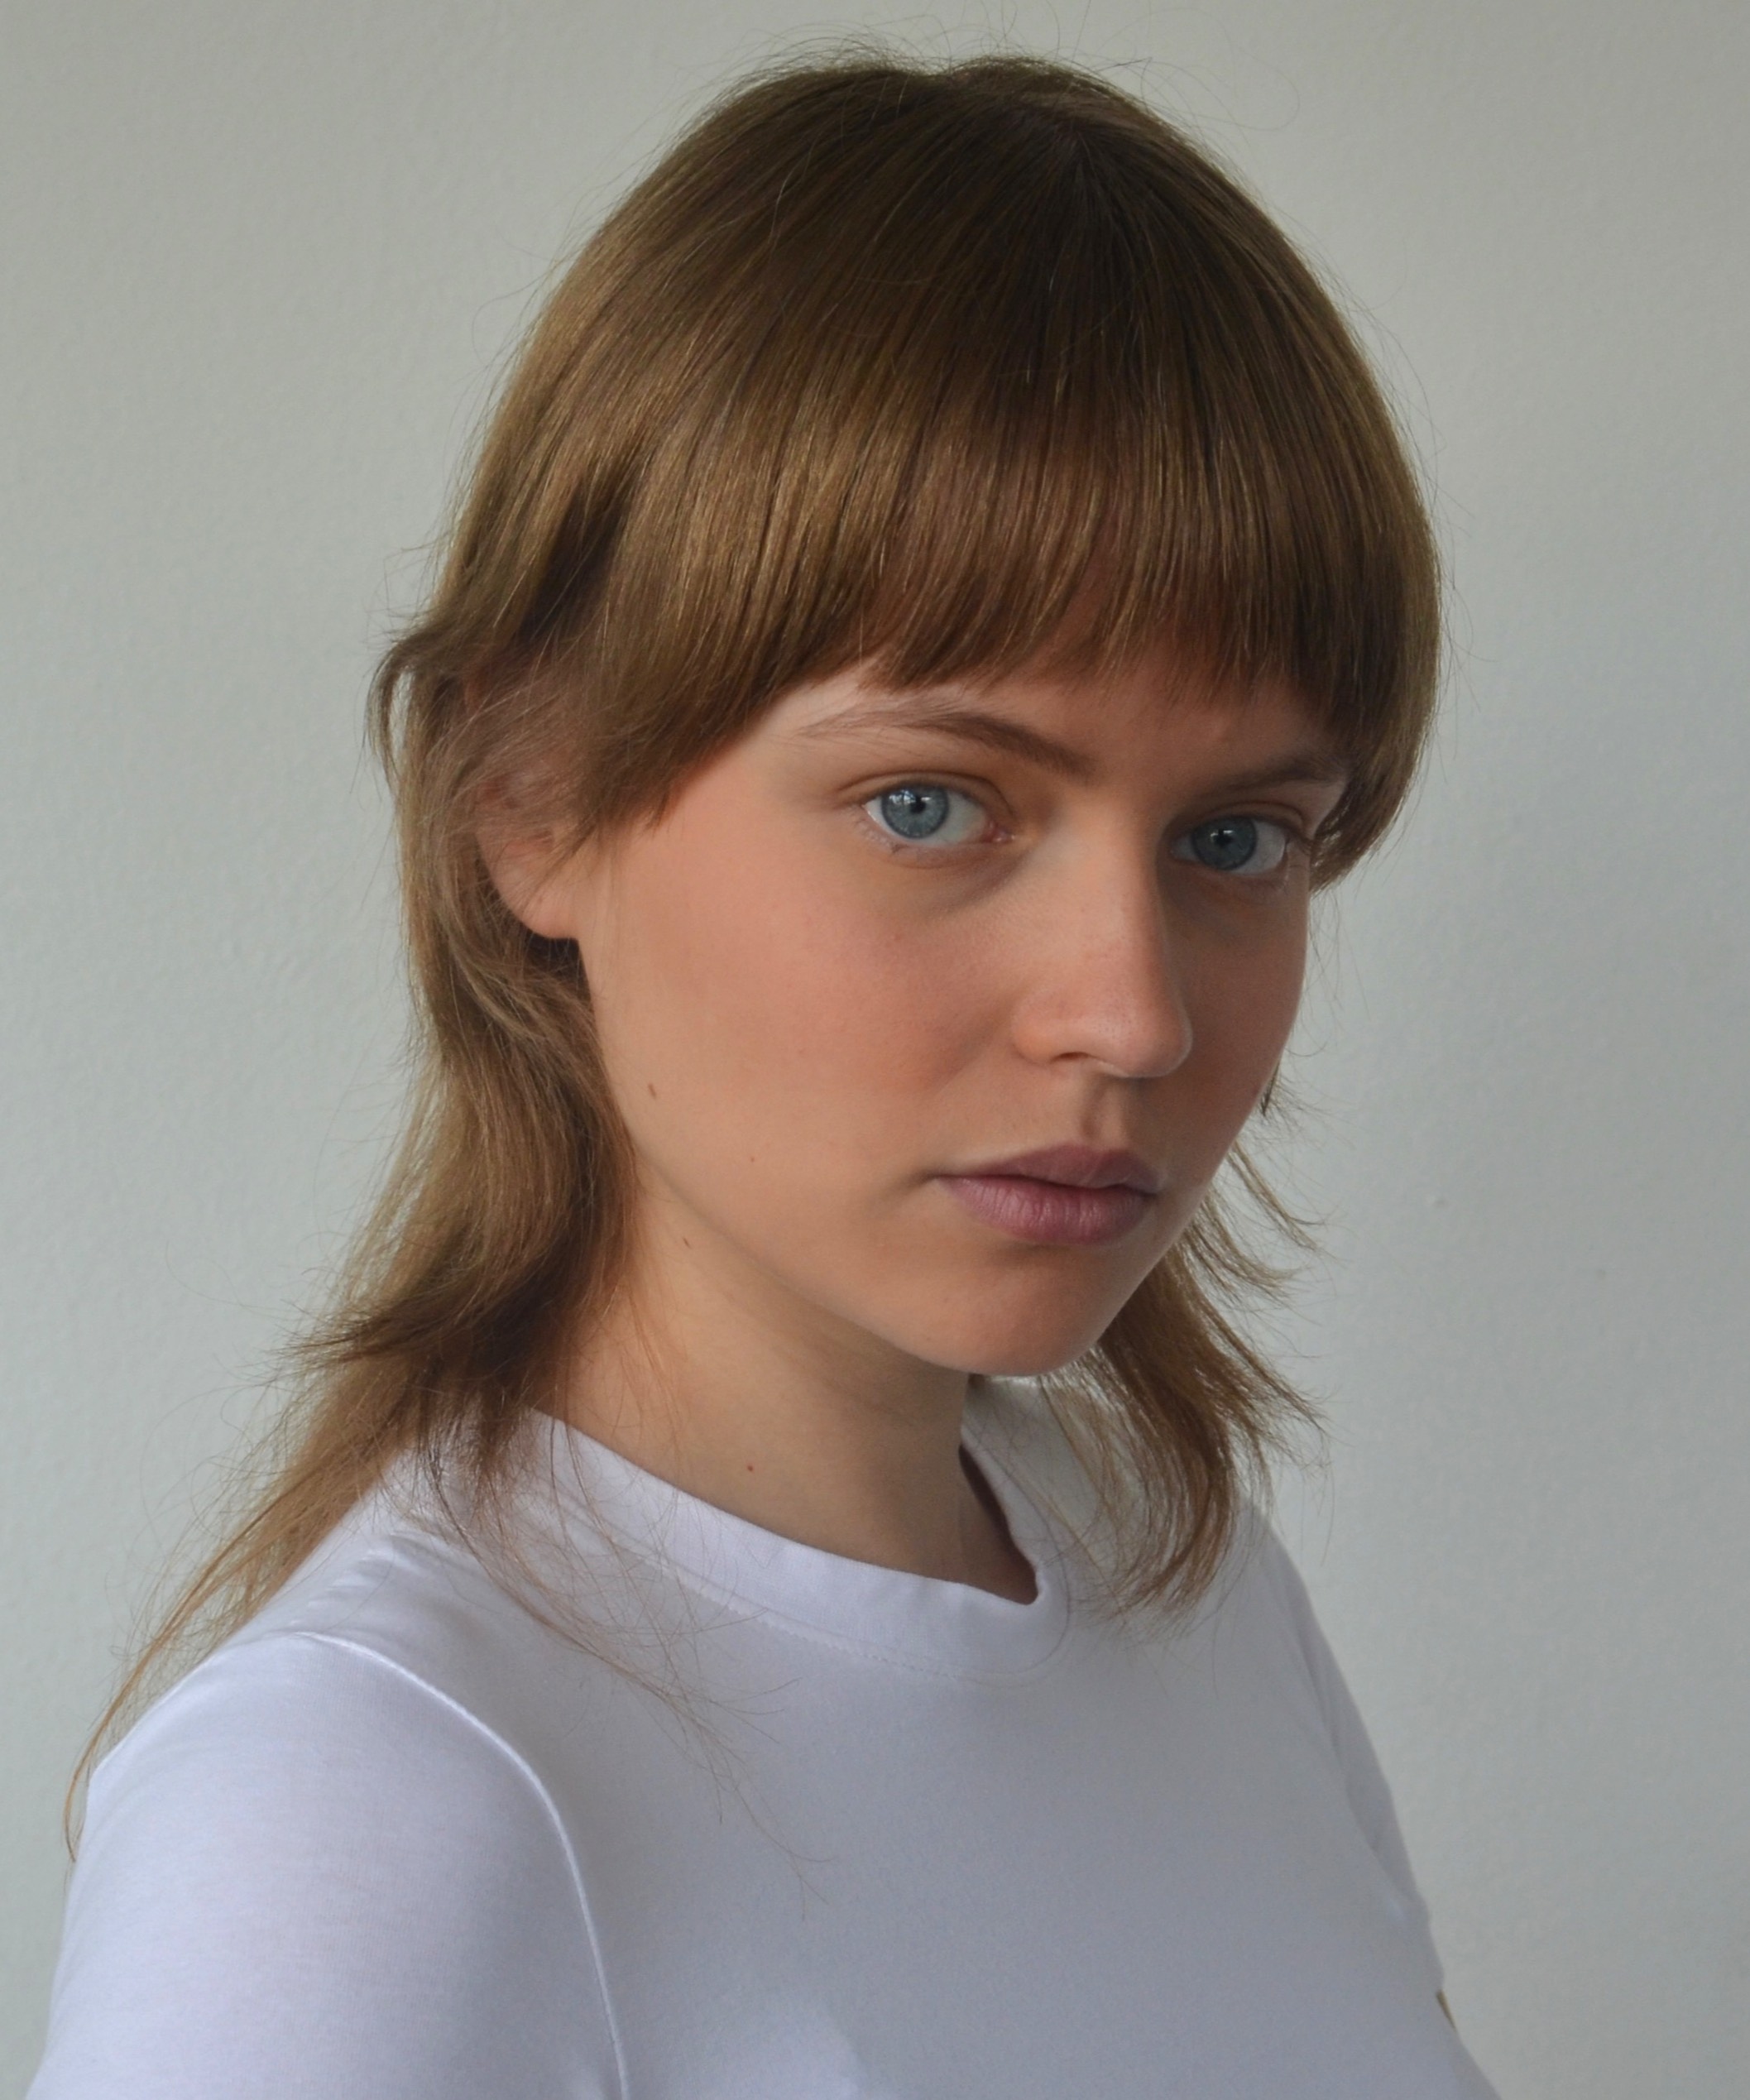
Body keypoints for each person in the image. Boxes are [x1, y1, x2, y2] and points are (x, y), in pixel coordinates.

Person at [29, 49, 1500, 2098]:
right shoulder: (359, 1815)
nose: (1131, 1014)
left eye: (1234, 838)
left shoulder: (1168, 1564)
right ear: (530, 796)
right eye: (930, 805)